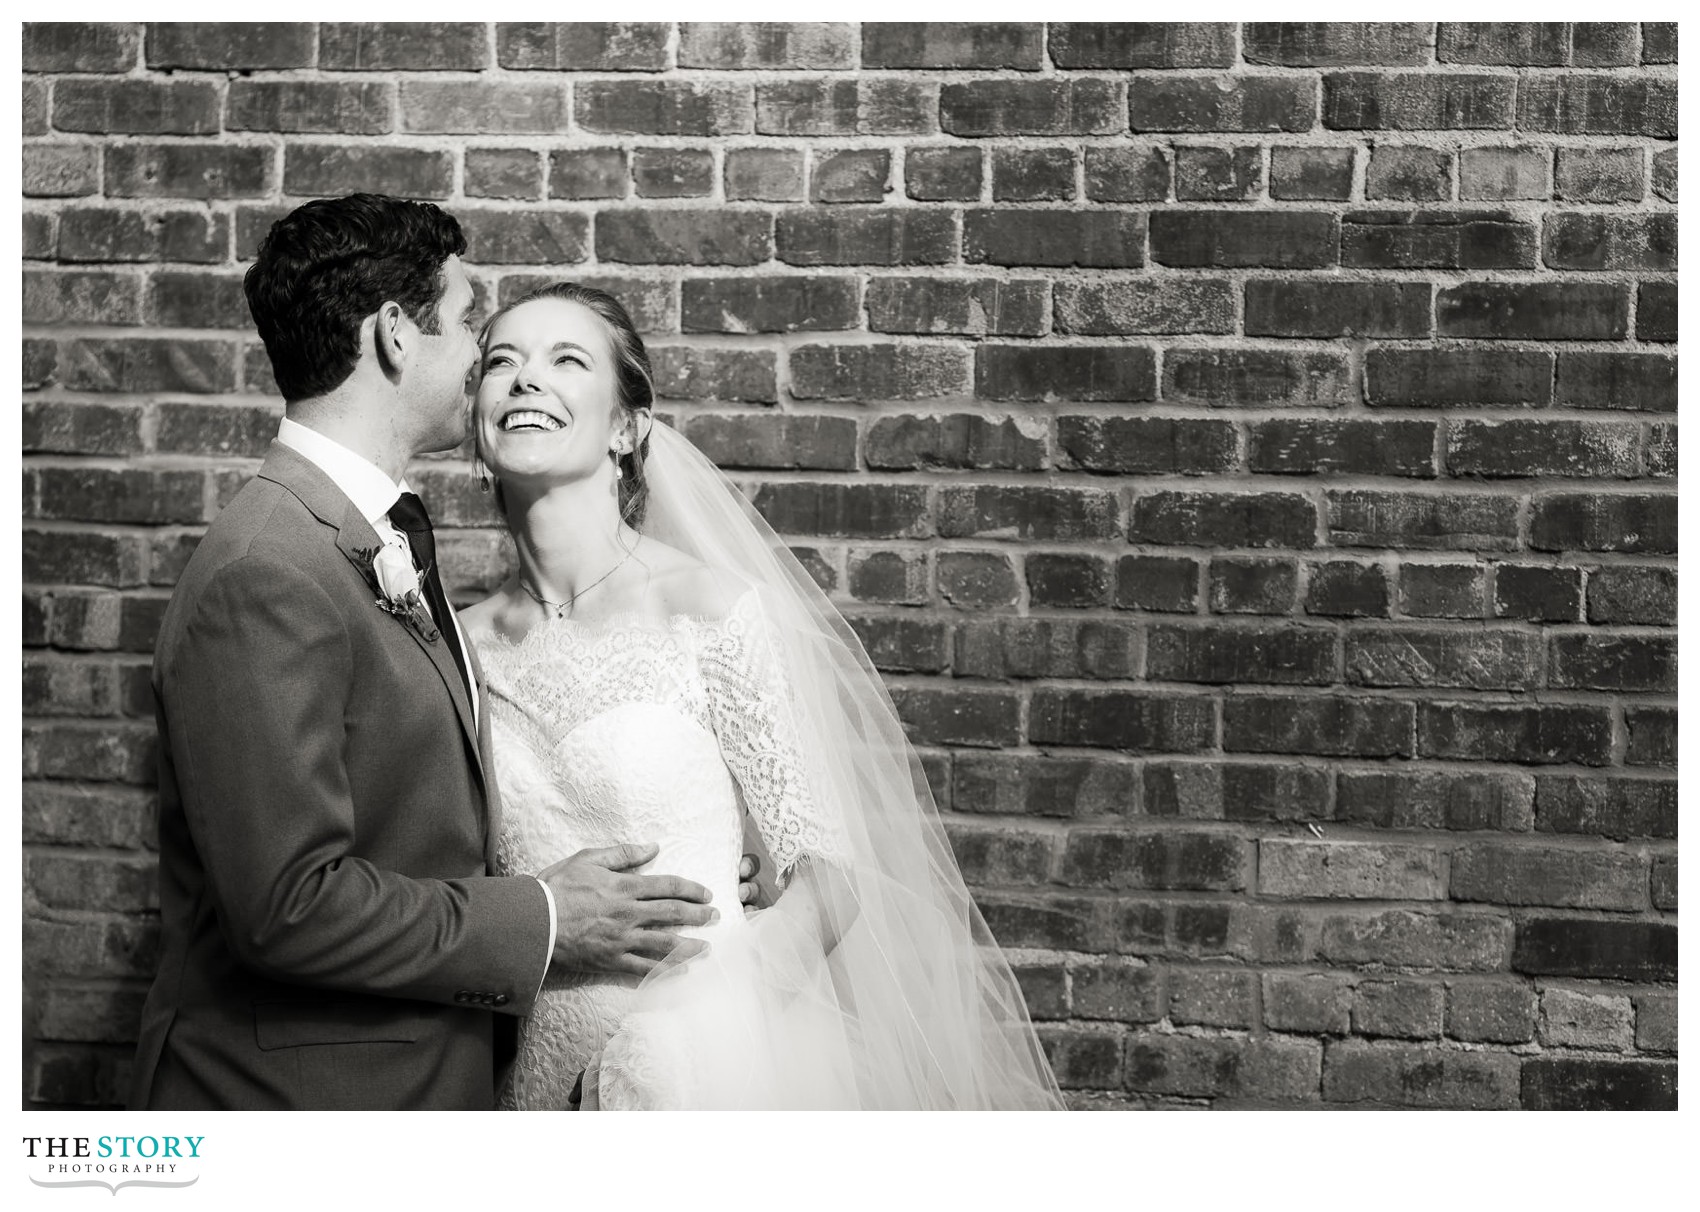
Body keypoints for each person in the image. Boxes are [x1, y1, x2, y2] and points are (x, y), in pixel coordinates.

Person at [130, 195, 756, 1111]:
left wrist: (707, 867)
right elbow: (286, 906)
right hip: (307, 1109)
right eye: (472, 325)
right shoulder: (266, 568)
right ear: (394, 335)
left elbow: (427, 813)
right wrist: (548, 917)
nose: (483, 361)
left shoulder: (361, 541)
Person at [461, 283, 1065, 1109]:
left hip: (703, 1079)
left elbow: (832, 874)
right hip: (527, 1075)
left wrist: (674, 1061)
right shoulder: (459, 645)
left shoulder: (706, 608)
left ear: (626, 428)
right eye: (502, 361)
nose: (526, 379)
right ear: (478, 420)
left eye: (566, 360)